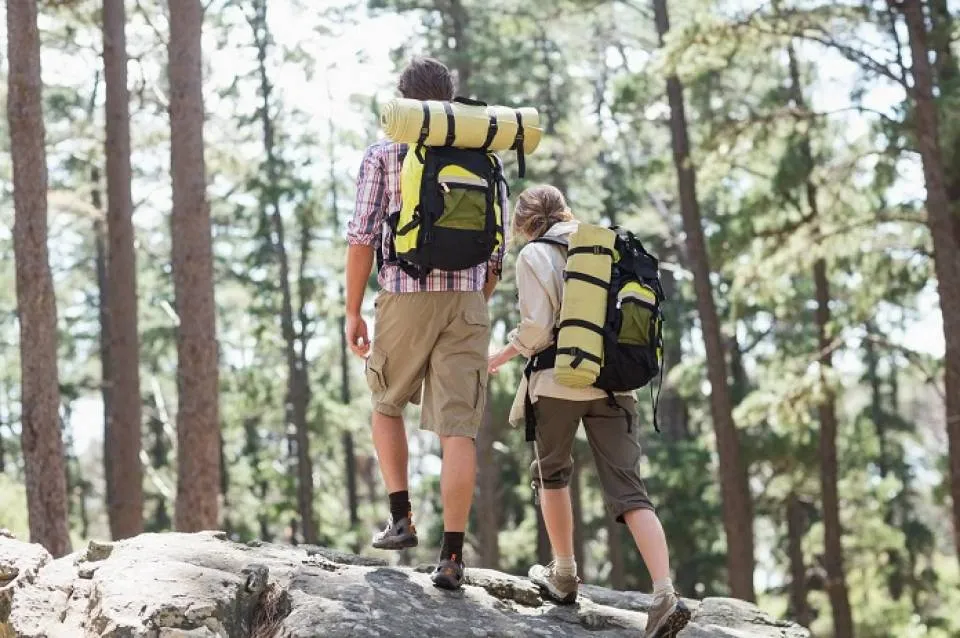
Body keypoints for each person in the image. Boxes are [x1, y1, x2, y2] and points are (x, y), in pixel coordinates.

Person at [487, 185, 690, 637]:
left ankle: (563, 574)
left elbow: (537, 329)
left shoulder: (534, 255)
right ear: (562, 209)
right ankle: (664, 593)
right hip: (616, 381)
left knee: (552, 474)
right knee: (629, 490)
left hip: (558, 380)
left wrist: (500, 357)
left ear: (524, 223)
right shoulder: (609, 244)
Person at [345, 56, 506, 590]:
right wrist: (473, 300)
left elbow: (362, 236)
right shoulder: (483, 154)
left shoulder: (386, 152)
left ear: (403, 101)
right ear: (450, 97)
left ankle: (400, 518)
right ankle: (453, 557)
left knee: (385, 403)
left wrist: (352, 311)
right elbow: (497, 249)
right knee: (458, 429)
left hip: (405, 296)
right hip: (468, 301)